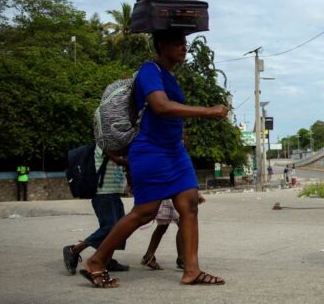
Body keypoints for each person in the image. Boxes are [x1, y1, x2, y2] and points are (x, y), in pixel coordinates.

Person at [79, 29, 228, 288]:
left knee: (189, 205)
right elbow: (161, 106)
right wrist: (208, 111)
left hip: (174, 152)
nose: (184, 47)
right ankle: (96, 260)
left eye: (185, 43)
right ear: (161, 45)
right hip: (151, 150)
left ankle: (192, 270)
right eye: (177, 42)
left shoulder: (170, 76)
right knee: (145, 212)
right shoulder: (150, 70)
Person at [63, 147, 130, 275]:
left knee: (120, 227)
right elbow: (117, 158)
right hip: (102, 193)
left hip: (114, 192)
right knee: (109, 227)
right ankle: (74, 250)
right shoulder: (103, 145)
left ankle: (106, 259)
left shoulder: (121, 146)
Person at [140, 194, 204, 271]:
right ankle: (181, 259)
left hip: (167, 196)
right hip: (173, 196)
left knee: (163, 226)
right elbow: (182, 181)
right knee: (183, 224)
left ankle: (149, 256)